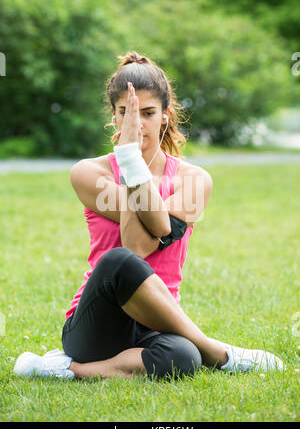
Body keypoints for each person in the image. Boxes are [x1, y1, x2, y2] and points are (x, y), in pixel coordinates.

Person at [14, 51, 285, 381]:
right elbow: (136, 247)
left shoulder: (194, 180)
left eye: (148, 113)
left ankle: (65, 369)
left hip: (158, 321)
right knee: (120, 261)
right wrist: (129, 162)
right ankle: (217, 351)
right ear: (113, 116)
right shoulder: (87, 173)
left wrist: (131, 165)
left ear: (166, 115)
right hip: (99, 323)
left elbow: (154, 230)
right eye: (126, 113)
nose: (137, 124)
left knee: (183, 358)